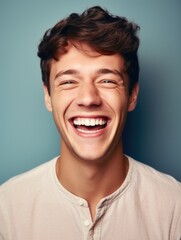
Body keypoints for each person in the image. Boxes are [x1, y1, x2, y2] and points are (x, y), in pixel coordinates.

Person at [0, 6, 180, 240]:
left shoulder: (175, 207)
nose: (88, 98)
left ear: (132, 95)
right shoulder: (6, 209)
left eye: (107, 80)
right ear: (48, 96)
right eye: (68, 82)